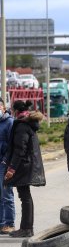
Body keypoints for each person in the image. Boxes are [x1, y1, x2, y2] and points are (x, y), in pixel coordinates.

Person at [4, 100, 45, 238]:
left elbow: (20, 150)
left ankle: (26, 228)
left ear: (15, 111)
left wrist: (11, 169)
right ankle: (27, 228)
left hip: (24, 166)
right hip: (27, 164)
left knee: (25, 197)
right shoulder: (27, 124)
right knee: (26, 197)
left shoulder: (22, 126)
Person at [0, 99, 15, 235]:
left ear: (4, 108)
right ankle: (1, 224)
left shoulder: (9, 122)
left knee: (6, 194)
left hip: (4, 164)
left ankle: (9, 223)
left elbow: (12, 145)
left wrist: (6, 161)